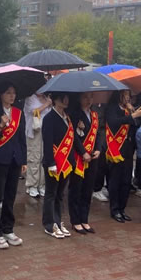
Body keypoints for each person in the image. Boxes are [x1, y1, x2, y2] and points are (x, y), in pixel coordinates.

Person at [42, 92, 90, 239]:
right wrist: (51, 163)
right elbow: (47, 142)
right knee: (51, 194)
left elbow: (72, 138)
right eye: (62, 98)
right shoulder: (49, 118)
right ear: (55, 99)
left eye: (67, 98)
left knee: (60, 194)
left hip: (67, 162)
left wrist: (80, 130)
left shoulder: (67, 117)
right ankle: (49, 224)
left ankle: (58, 221)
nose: (66, 100)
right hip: (54, 162)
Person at [0, 82, 26, 249]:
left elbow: (22, 138)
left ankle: (8, 228)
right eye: (8, 92)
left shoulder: (18, 113)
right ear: (0, 94)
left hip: (15, 159)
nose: (12, 96)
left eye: (14, 93)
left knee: (10, 195)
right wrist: (1, 126)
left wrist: (23, 160)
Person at [105, 90, 141, 223]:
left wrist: (133, 112)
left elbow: (136, 123)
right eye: (125, 95)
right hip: (116, 147)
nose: (128, 98)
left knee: (126, 179)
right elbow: (113, 122)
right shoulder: (112, 108)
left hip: (128, 146)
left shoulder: (128, 109)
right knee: (115, 179)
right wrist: (132, 115)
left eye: (129, 95)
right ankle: (115, 209)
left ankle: (122, 208)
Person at [68, 92, 102, 234]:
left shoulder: (94, 114)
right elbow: (73, 137)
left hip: (92, 157)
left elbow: (98, 133)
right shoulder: (74, 114)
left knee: (88, 189)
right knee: (76, 188)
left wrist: (99, 149)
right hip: (79, 157)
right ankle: (75, 220)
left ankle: (84, 219)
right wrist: (83, 152)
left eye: (90, 97)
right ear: (79, 98)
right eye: (85, 97)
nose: (88, 100)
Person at [23, 93, 51, 197]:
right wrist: (47, 104)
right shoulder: (30, 98)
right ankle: (32, 185)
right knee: (34, 158)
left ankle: (42, 184)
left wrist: (48, 102)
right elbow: (34, 112)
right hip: (34, 131)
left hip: (46, 131)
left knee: (44, 158)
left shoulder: (47, 98)